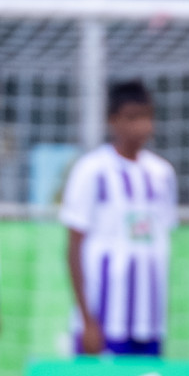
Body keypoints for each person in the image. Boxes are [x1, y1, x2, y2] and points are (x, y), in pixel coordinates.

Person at [60, 80, 177, 356]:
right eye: (132, 118)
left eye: (147, 117)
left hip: (150, 322)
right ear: (113, 121)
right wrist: (87, 320)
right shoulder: (92, 170)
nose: (142, 126)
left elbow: (160, 243)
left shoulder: (162, 173)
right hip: (104, 321)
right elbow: (74, 246)